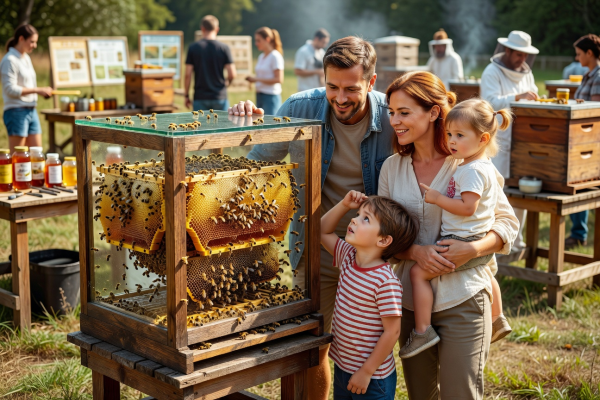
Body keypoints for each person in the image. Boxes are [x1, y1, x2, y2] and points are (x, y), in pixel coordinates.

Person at [230, 36, 397, 400]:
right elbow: (255, 165)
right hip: (317, 251)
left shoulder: (393, 116)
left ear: (371, 81)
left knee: (367, 350)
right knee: (314, 346)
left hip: (377, 261)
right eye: (331, 86)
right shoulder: (299, 106)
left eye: (351, 89)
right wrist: (246, 124)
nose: (339, 98)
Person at [379, 70, 519, 399]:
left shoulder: (470, 163)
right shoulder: (390, 169)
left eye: (404, 112)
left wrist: (473, 249)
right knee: (420, 395)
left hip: (466, 296)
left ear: (432, 112)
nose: (395, 121)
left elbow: (508, 223)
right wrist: (415, 253)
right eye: (391, 113)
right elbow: (383, 237)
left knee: (460, 393)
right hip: (412, 304)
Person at [399, 98, 513, 359]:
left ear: (483, 139)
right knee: (486, 271)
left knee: (418, 274)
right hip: (477, 238)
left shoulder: (470, 171)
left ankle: (422, 331)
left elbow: (467, 207)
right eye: (449, 134)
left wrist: (438, 199)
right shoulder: (481, 166)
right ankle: (497, 319)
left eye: (459, 135)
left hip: (461, 239)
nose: (451, 140)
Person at [321, 192, 417, 399]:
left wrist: (366, 372)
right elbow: (321, 231)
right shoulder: (348, 257)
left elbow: (392, 332)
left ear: (383, 240)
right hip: (343, 367)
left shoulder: (385, 281)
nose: (354, 219)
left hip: (373, 378)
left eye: (366, 219)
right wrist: (344, 204)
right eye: (357, 214)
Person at [480, 30, 539, 249]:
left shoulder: (527, 73)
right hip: (500, 142)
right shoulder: (491, 72)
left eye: (525, 55)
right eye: (518, 54)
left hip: (524, 141)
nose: (522, 59)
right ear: (507, 50)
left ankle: (516, 239)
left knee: (520, 189)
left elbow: (532, 95)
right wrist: (517, 97)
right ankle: (494, 242)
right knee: (498, 191)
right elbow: (489, 104)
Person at [564, 34, 600, 249]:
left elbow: (595, 108)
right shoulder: (589, 75)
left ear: (589, 53)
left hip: (590, 139)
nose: (577, 59)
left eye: (579, 54)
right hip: (582, 139)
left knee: (582, 184)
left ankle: (579, 232)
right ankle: (579, 232)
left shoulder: (598, 76)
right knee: (577, 183)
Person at [1, 24, 52, 152]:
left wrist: (41, 92)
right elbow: (10, 89)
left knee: (37, 154)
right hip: (15, 111)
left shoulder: (26, 58)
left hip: (31, 110)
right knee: (18, 157)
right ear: (21, 39)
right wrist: (37, 90)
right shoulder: (9, 60)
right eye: (32, 42)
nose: (34, 45)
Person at [184, 15, 236, 111]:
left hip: (200, 97)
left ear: (202, 29)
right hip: (220, 96)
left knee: (200, 126)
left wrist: (186, 95)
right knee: (222, 126)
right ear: (217, 29)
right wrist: (227, 83)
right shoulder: (224, 48)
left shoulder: (193, 48)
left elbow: (188, 74)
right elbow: (232, 74)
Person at [245, 27, 284, 115]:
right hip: (260, 95)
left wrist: (256, 79)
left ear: (267, 39)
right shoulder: (261, 56)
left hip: (270, 97)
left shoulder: (275, 56)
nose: (256, 43)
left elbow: (279, 79)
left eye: (259, 40)